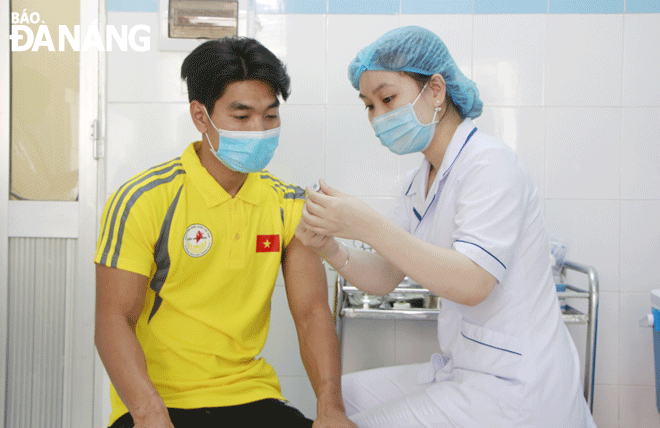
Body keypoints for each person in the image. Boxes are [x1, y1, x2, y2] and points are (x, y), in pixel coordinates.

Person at [295, 26, 597, 428]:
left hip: (515, 387)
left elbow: (473, 284)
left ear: (435, 90)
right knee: (337, 400)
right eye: (368, 105)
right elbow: (386, 276)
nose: (378, 117)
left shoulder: (490, 164)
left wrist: (366, 224)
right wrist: (332, 248)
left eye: (387, 99)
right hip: (466, 370)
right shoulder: (419, 180)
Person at [94, 37, 357, 428]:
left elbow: (312, 313)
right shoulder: (143, 200)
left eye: (270, 116)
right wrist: (149, 414)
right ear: (201, 117)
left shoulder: (289, 206)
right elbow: (114, 319)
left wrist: (330, 409)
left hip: (250, 396)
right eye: (242, 116)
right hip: (158, 401)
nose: (259, 129)